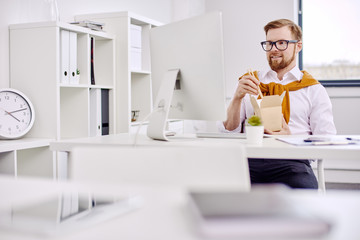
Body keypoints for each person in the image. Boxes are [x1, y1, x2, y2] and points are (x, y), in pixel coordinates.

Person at [219, 19, 337, 189]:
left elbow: (326, 140)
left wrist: (292, 139)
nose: (273, 49)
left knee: (303, 197)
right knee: (219, 191)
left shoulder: (313, 89)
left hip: (293, 164)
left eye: (281, 43)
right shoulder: (250, 82)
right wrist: (237, 97)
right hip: (249, 160)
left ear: (298, 46)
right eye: (269, 43)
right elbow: (228, 130)